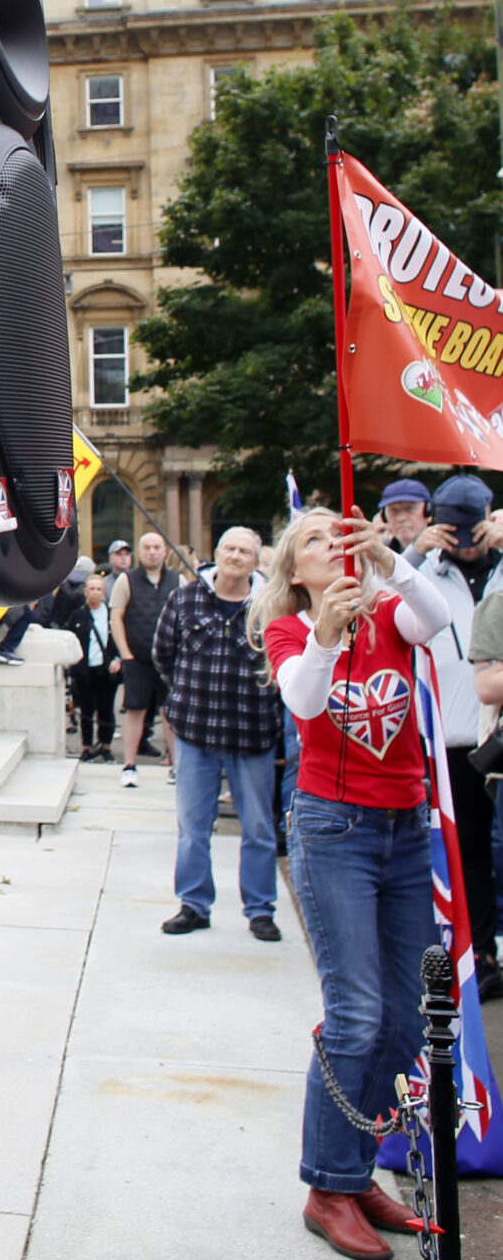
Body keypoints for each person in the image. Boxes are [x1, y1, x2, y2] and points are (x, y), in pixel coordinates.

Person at [252, 507, 450, 1259]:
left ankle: (354, 1168)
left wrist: (390, 560)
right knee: (355, 1015)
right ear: (295, 572)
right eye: (313, 540)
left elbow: (434, 621)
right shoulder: (292, 630)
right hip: (334, 830)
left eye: (341, 535)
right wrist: (329, 634)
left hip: (403, 832)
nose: (331, 545)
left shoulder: (390, 612)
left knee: (404, 1021)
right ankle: (327, 1186)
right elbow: (302, 702)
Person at [399, 474, 503, 998]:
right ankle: (474, 949)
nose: (464, 540)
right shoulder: (424, 571)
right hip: (446, 738)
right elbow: (381, 596)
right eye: (451, 528)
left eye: (472, 527)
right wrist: (416, 552)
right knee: (465, 852)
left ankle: (488, 946)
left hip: (495, 732)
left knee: (495, 849)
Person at [151, 528, 282, 941]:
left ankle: (260, 909)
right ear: (217, 553)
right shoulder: (186, 597)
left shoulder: (273, 605)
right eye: (230, 548)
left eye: (246, 551)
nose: (237, 556)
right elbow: (163, 653)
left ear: (256, 559)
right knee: (193, 826)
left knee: (259, 828)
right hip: (196, 731)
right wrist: (188, 693)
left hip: (253, 733)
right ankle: (194, 904)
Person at [110, 532, 179, 787]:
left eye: (157, 547)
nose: (152, 552)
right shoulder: (126, 581)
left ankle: (175, 765)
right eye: (147, 547)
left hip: (169, 658)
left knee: (171, 713)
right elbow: (116, 616)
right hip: (137, 656)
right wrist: (125, 653)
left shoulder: (177, 580)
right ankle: (129, 765)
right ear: (141, 552)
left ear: (164, 551)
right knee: (135, 710)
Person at [65, 572, 121, 761]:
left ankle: (106, 745)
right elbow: (71, 638)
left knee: (106, 708)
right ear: (86, 592)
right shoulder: (78, 615)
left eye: (99, 589)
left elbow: (118, 639)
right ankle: (87, 746)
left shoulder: (110, 615)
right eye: (92, 589)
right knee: (86, 710)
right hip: (84, 670)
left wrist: (117, 659)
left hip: (106, 669)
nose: (95, 593)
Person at [376, 477, 431, 555]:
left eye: (409, 509)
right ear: (384, 517)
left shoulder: (443, 554)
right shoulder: (377, 555)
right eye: (394, 511)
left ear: (428, 512)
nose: (401, 518)